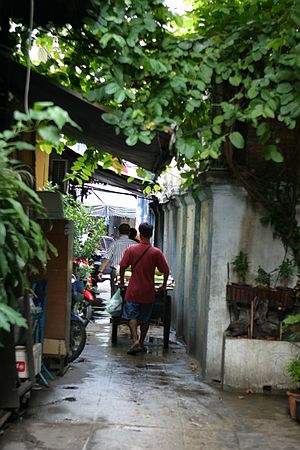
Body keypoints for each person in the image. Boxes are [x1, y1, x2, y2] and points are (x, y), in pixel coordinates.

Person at [119, 222, 169, 355]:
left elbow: (123, 266)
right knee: (145, 319)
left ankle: (135, 340)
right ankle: (141, 342)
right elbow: (165, 270)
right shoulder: (156, 252)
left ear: (139, 234)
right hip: (148, 291)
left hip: (133, 290)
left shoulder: (131, 250)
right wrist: (163, 285)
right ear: (151, 235)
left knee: (132, 317)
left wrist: (122, 282)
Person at [98, 223, 135, 295]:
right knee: (130, 294)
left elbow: (107, 259)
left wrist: (101, 271)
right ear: (129, 232)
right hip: (131, 273)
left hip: (116, 272)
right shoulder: (135, 244)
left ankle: (116, 306)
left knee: (115, 295)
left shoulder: (114, 244)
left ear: (119, 232)